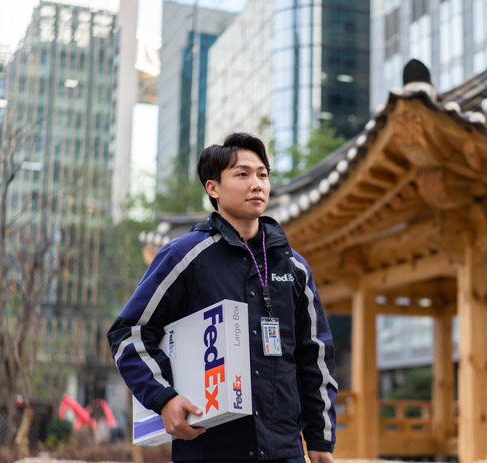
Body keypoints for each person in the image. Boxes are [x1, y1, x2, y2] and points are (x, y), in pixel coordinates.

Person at [107, 132, 338, 463]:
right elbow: (129, 333)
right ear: (213, 188)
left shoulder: (294, 267)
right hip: (208, 448)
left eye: (262, 174)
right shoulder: (184, 256)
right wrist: (164, 398)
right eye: (242, 174)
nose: (256, 183)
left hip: (285, 451)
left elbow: (315, 354)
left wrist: (320, 437)